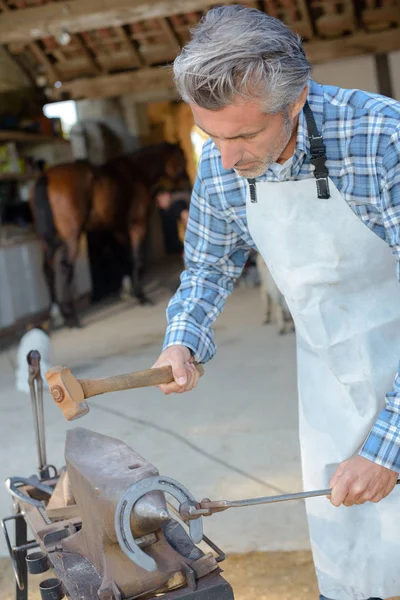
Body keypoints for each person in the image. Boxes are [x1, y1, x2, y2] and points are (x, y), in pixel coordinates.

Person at [152, 5, 400, 600]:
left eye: (243, 136)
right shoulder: (220, 161)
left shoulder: (381, 139)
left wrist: (389, 444)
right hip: (327, 383)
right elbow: (209, 263)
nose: (227, 158)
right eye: (211, 136)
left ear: (295, 102)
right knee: (356, 559)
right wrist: (183, 335)